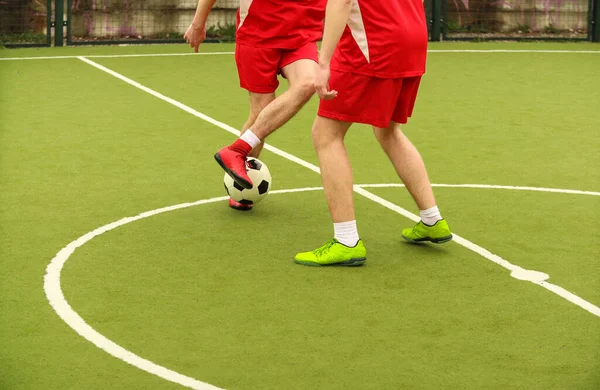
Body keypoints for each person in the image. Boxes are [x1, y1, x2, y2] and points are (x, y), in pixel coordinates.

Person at [293, 0, 453, 267]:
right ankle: (432, 220)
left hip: (374, 44)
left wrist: (323, 62)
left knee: (326, 134)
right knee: (388, 131)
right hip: (411, 39)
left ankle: (346, 241)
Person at [184, 0, 326, 211]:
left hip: (302, 35)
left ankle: (236, 151)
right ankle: (239, 188)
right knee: (261, 112)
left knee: (308, 83)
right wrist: (198, 23)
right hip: (257, 34)